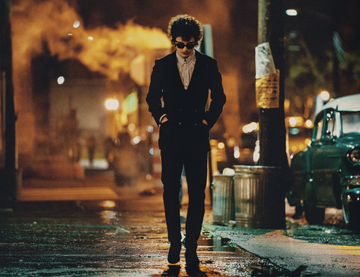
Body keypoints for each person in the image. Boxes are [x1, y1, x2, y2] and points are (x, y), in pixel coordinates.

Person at [146, 14, 226, 266]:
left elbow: (220, 98)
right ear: (174, 41)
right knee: (170, 192)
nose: (184, 49)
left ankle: (191, 246)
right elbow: (151, 98)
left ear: (196, 42)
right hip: (171, 137)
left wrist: (207, 120)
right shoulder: (162, 65)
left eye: (190, 45)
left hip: (196, 136)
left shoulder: (208, 65)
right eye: (180, 44)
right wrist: (162, 118)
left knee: (197, 194)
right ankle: (174, 243)